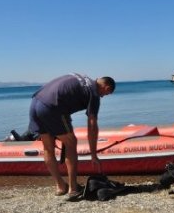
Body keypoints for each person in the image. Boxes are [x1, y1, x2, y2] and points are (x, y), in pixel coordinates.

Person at [28, 73, 115, 201]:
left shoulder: (82, 78)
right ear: (106, 87)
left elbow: (64, 90)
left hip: (36, 102)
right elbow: (92, 126)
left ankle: (60, 186)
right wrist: (93, 154)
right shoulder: (94, 94)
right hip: (52, 107)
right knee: (71, 142)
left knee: (48, 147)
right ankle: (73, 189)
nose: (103, 96)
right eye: (106, 93)